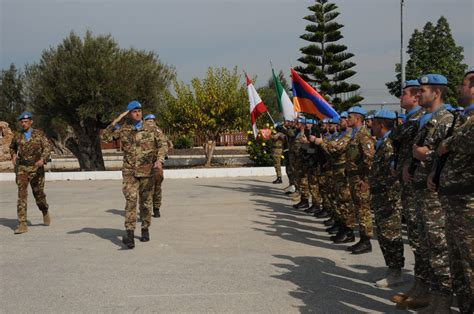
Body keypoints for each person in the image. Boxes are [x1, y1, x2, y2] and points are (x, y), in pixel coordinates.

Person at [404, 74, 453, 311]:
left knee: (439, 249)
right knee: (423, 246)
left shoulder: (446, 119)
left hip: (434, 195)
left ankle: (442, 303)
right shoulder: (426, 119)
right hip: (421, 191)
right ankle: (427, 294)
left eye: (422, 90)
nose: (418, 94)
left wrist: (427, 156)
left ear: (436, 93)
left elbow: (449, 156)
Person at [430, 67, 474, 313]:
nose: (460, 88)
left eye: (465, 84)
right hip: (455, 199)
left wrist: (448, 143)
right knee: (459, 265)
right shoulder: (463, 119)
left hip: (468, 201)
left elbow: (467, 141)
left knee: (470, 264)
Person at [102, 101, 167, 249]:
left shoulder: (152, 128)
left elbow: (163, 144)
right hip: (130, 172)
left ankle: (145, 228)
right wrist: (117, 120)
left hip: (147, 171)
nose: (138, 113)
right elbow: (105, 137)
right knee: (131, 201)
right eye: (134, 111)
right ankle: (129, 234)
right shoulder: (124, 129)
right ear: (129, 113)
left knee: (145, 203)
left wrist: (159, 160)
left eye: (139, 110)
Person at [389, 80, 430, 307]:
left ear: (415, 97)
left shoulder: (418, 120)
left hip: (420, 184)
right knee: (416, 239)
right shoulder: (412, 120)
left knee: (423, 240)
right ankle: (420, 286)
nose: (401, 97)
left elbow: (397, 135)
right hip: (410, 184)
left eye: (404, 94)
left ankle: (426, 291)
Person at [369, 109, 405, 288]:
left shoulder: (390, 144)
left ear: (381, 125)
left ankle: (396, 272)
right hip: (381, 196)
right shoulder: (383, 142)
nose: (371, 126)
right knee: (384, 235)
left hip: (389, 198)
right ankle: (392, 269)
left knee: (391, 235)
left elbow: (393, 173)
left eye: (374, 123)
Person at [313, 112, 356, 243]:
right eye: (343, 119)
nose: (340, 122)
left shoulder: (349, 135)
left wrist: (321, 143)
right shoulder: (340, 135)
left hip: (342, 172)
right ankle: (341, 225)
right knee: (338, 200)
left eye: (343, 119)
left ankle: (348, 231)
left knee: (344, 202)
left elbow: (336, 149)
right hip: (335, 170)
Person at [9, 111, 51, 234]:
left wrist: (43, 159)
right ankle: (22, 224)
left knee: (39, 194)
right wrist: (13, 156)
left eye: (26, 121)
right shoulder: (17, 135)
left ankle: (44, 210)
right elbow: (12, 147)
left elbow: (47, 147)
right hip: (22, 168)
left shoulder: (39, 134)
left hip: (36, 168)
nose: (24, 123)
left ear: (31, 122)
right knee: (22, 195)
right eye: (22, 122)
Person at [345, 106, 375, 254]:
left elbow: (369, 158)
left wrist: (366, 180)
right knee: (358, 209)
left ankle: (366, 241)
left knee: (363, 209)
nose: (347, 119)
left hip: (361, 179)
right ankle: (362, 239)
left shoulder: (363, 135)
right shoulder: (354, 134)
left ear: (357, 118)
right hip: (353, 177)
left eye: (350, 117)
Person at [143, 114, 169, 218]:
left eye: (152, 121)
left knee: (157, 186)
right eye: (148, 121)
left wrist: (160, 160)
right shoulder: (141, 132)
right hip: (144, 163)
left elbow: (164, 146)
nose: (151, 123)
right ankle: (146, 209)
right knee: (145, 187)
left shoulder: (158, 132)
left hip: (156, 162)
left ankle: (156, 207)